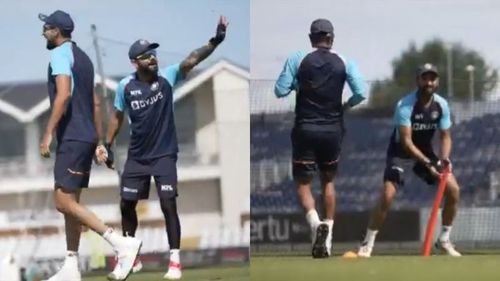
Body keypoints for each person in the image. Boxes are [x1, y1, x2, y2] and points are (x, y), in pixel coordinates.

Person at [95, 16, 228, 280]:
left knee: (168, 204)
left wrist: (215, 41)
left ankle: (175, 263)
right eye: (146, 56)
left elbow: (191, 59)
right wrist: (107, 145)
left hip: (165, 154)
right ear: (135, 62)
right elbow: (117, 117)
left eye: (153, 53)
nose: (152, 58)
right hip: (137, 157)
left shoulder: (167, 77)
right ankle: (130, 256)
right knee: (126, 204)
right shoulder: (125, 86)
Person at [39, 10, 142, 281]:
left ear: (57, 31)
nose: (43, 33)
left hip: (72, 137)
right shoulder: (83, 58)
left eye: (47, 28)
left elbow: (64, 94)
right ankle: (71, 266)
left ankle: (121, 244)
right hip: (83, 137)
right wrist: (96, 141)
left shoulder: (60, 54)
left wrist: (48, 132)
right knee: (71, 202)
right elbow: (94, 103)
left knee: (62, 202)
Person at [274, 18, 366, 258]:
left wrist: (298, 85)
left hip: (305, 128)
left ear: (311, 38)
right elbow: (361, 93)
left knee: (303, 184)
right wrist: (346, 105)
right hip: (333, 130)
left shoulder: (298, 59)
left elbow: (279, 90)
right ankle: (329, 235)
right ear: (332, 38)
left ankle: (316, 226)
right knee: (328, 181)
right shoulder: (345, 61)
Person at [357, 63, 461, 257]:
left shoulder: (442, 105)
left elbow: (445, 136)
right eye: (425, 78)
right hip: (401, 152)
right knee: (387, 196)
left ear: (437, 82)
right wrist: (428, 164)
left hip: (425, 151)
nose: (429, 82)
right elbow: (406, 142)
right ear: (418, 80)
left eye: (432, 78)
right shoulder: (405, 105)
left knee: (453, 190)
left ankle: (444, 240)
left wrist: (444, 157)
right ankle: (367, 242)